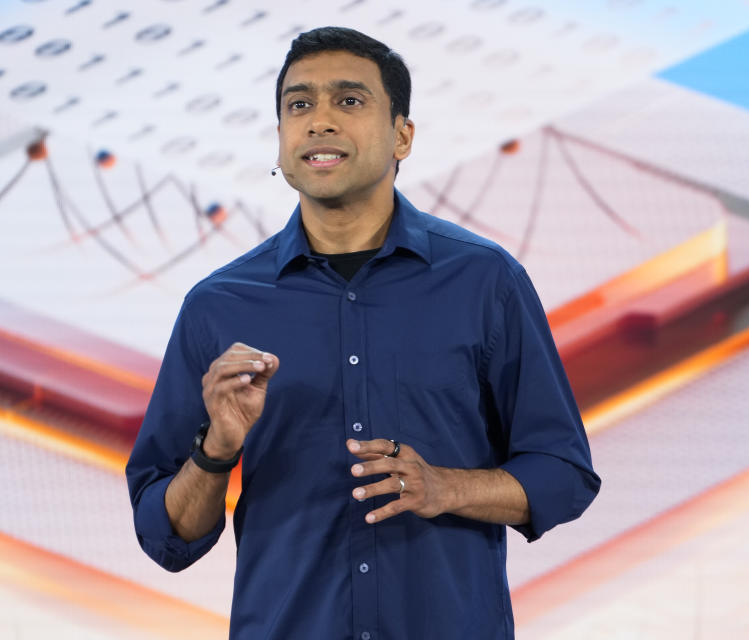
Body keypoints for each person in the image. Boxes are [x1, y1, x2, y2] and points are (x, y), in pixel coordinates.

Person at [126, 26, 600, 640]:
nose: (319, 121)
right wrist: (215, 448)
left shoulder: (485, 281)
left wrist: (446, 487)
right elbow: (167, 537)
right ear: (280, 139)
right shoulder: (218, 307)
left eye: (349, 101)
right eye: (299, 105)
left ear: (403, 134)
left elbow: (563, 474)